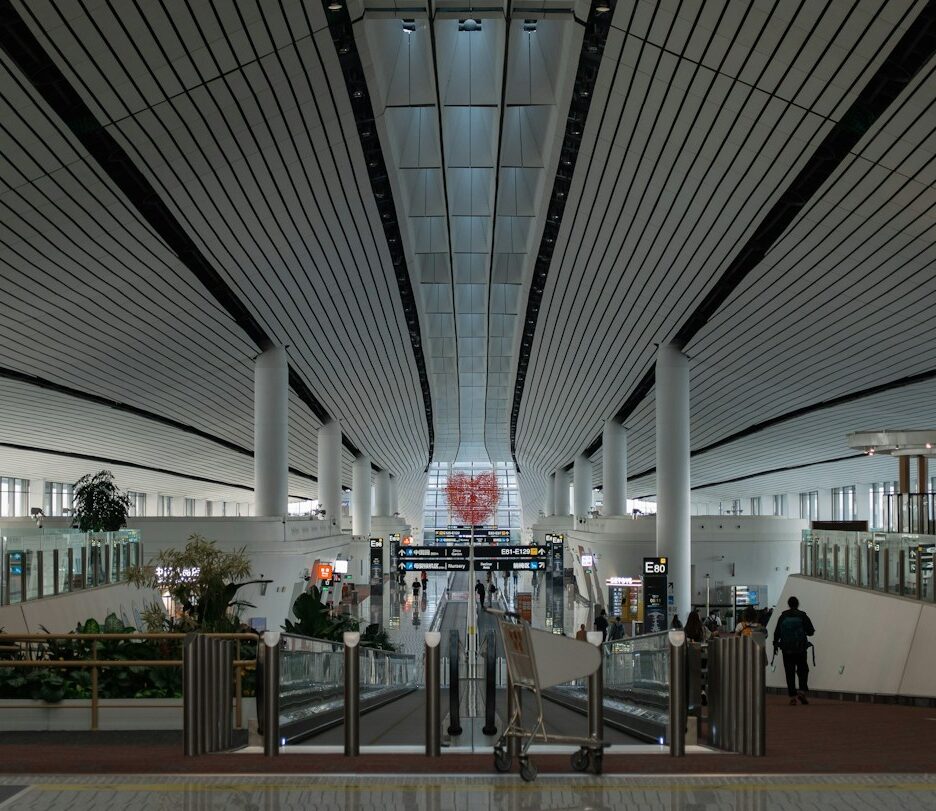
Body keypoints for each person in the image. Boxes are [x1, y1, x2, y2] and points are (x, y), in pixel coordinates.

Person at [772, 596, 815, 706]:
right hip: (800, 649)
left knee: (789, 672)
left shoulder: (783, 616)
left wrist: (775, 644)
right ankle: (802, 691)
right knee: (803, 670)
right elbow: (811, 631)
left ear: (789, 604)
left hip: (786, 649)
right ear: (797, 604)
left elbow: (777, 633)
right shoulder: (802, 616)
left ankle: (792, 697)